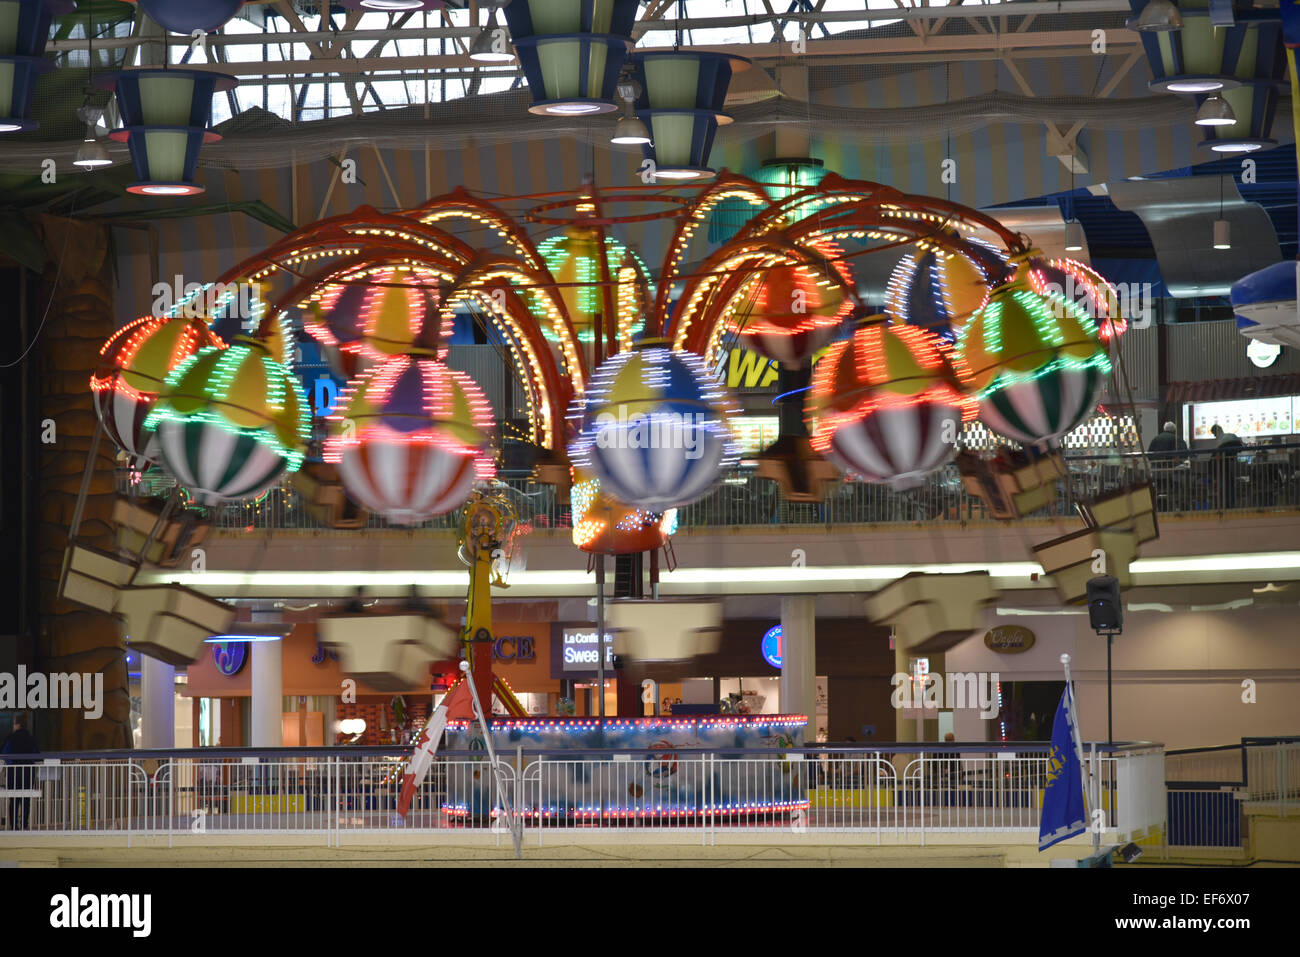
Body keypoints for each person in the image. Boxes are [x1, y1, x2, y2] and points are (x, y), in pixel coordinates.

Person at [2, 715, 39, 830]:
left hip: (14, 773)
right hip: (28, 773)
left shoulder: (11, 738)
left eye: (14, 723)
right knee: (26, 799)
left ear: (18, 724)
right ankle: (24, 824)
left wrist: (9, 764)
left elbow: (4, 754)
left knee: (14, 799)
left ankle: (13, 826)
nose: (13, 726)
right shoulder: (31, 738)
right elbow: (37, 755)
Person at [1211, 424, 1244, 509]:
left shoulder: (1220, 439)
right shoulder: (1230, 435)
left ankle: (1226, 505)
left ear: (1215, 432)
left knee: (1225, 486)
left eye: (1214, 434)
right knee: (1230, 485)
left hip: (1224, 466)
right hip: (1231, 462)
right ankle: (1231, 504)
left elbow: (1216, 453)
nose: (1214, 436)